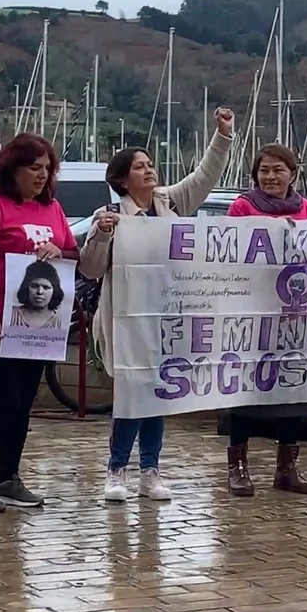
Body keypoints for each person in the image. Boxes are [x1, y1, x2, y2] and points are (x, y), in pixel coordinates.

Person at [79, 107, 235, 503]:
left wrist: (222, 136)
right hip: (126, 320)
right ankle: (116, 469)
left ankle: (150, 470)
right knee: (131, 395)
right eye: (139, 166)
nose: (149, 171)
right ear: (121, 179)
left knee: (157, 393)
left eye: (150, 164)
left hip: (166, 318)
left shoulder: (171, 203)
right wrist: (100, 236)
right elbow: (91, 269)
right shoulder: (110, 217)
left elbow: (205, 176)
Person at [0, 133, 80, 513]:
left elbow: (72, 253)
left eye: (47, 168)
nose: (42, 175)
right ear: (13, 169)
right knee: (4, 398)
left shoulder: (53, 208)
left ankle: (8, 477)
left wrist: (60, 250)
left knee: (24, 401)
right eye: (34, 168)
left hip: (38, 323)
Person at [224, 143, 307, 497]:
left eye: (278, 170)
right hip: (252, 311)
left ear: (292, 174)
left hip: (294, 313)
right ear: (255, 175)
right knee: (245, 387)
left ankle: (286, 466)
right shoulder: (242, 207)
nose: (270, 176)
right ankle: (238, 466)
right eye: (264, 170)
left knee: (293, 385)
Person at [9, 259, 65, 330]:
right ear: (26, 288)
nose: (40, 292)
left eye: (46, 287)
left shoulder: (59, 322)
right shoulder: (10, 314)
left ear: (54, 291)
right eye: (34, 286)